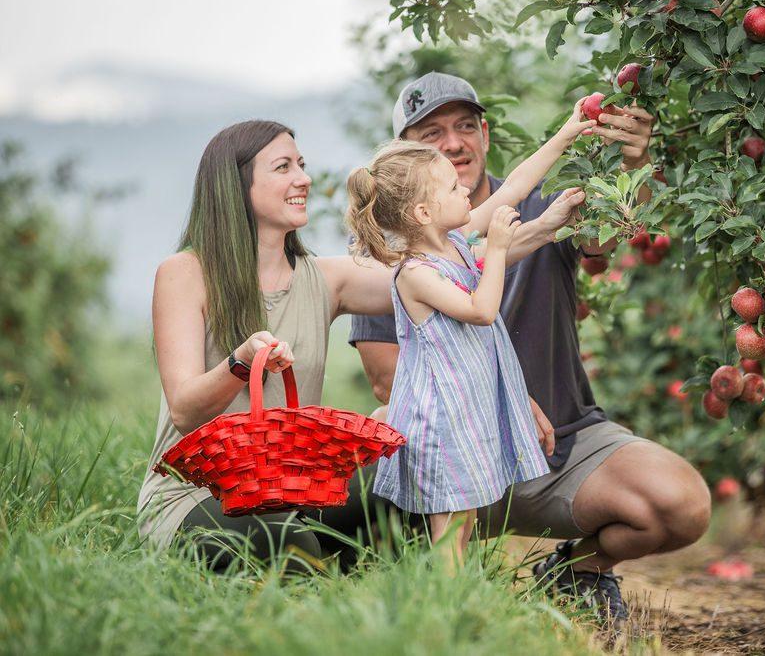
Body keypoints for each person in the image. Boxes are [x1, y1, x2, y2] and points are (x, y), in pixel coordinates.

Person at [137, 119, 589, 570]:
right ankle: (317, 569)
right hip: (196, 496)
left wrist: (549, 220)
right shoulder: (185, 273)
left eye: (302, 164)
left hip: (293, 490)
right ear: (235, 185)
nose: (304, 178)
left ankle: (422, 593)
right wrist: (240, 360)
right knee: (286, 547)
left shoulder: (326, 279)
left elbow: (451, 261)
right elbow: (185, 410)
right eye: (283, 167)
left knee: (411, 479)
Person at [348, 73, 712, 619]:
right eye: (431, 137)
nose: (453, 147)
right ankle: (438, 600)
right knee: (411, 472)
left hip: (555, 450)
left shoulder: (459, 235)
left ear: (486, 133)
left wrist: (579, 143)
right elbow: (473, 313)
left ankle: (570, 573)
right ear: (416, 194)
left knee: (679, 501)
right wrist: (511, 397)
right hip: (459, 436)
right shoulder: (407, 264)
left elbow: (536, 200)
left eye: (465, 127)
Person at [344, 101, 593, 567]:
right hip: (442, 424)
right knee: (452, 528)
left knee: (463, 520)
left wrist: (566, 135)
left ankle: (456, 600)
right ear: (422, 211)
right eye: (452, 187)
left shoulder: (454, 242)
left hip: (466, 414)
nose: (466, 190)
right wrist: (496, 247)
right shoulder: (415, 272)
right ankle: (449, 608)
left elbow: (516, 187)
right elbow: (481, 311)